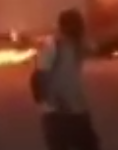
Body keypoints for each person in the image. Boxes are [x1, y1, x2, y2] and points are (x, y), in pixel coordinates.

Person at [32, 8, 100, 150]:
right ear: (67, 27)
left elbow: (96, 48)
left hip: (76, 108)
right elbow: (41, 75)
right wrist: (53, 100)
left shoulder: (77, 44)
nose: (80, 29)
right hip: (57, 113)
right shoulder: (52, 46)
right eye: (78, 26)